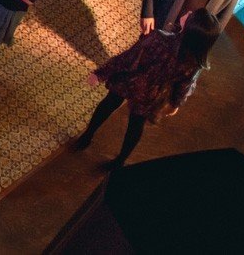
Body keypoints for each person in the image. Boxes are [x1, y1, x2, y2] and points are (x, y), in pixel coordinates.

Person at [74, 9, 220, 168]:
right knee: (136, 126)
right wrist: (175, 104)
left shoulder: (158, 38)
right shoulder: (194, 63)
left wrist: (101, 73)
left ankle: (86, 136)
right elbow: (183, 87)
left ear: (189, 28)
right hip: (151, 95)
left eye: (191, 15)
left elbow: (128, 58)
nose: (189, 12)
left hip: (129, 81)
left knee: (109, 104)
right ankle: (120, 161)